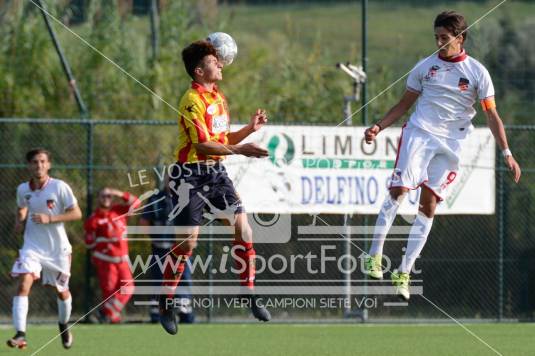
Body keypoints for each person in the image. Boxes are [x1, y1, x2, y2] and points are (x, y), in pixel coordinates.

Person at [363, 11, 522, 301]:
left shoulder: (477, 73)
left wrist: (507, 152)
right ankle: (374, 255)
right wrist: (378, 126)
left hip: (453, 144)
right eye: (436, 37)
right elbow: (403, 105)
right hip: (420, 133)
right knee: (398, 190)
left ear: (460, 39)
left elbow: (492, 116)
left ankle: (404, 272)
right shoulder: (424, 68)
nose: (439, 43)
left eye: (445, 38)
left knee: (429, 205)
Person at [158, 40, 271, 335]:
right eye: (213, 61)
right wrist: (243, 150)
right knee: (188, 244)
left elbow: (222, 139)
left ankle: (249, 294)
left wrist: (248, 130)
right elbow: (202, 144)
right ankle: (166, 301)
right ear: (199, 70)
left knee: (244, 230)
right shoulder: (190, 101)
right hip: (189, 177)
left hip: (215, 175)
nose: (220, 63)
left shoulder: (219, 98)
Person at [7, 148, 82, 349]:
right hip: (32, 246)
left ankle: (63, 324)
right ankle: (21, 334)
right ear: (29, 165)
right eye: (34, 162)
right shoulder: (23, 189)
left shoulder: (59, 187)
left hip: (58, 251)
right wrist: (19, 220)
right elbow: (22, 206)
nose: (38, 165)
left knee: (61, 291)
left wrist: (51, 218)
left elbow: (76, 213)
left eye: (42, 161)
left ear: (48, 164)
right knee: (23, 284)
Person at [139, 175, 195, 324]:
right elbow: (144, 222)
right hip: (160, 249)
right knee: (159, 281)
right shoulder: (155, 199)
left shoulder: (187, 197)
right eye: (169, 178)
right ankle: (158, 314)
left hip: (181, 249)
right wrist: (155, 237)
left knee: (183, 280)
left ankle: (185, 313)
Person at [84, 187, 140, 323]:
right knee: (109, 292)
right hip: (106, 261)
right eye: (103, 196)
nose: (106, 199)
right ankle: (112, 318)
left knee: (128, 287)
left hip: (123, 259)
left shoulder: (118, 210)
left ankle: (104, 311)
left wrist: (118, 192)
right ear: (98, 198)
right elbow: (89, 243)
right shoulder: (94, 219)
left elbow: (137, 203)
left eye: (109, 196)